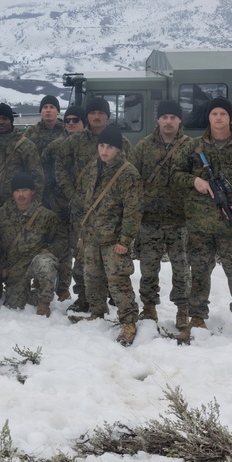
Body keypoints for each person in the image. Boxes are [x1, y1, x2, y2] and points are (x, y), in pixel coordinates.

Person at [171, 97, 232, 340]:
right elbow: (175, 175)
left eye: (223, 113)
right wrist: (195, 180)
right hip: (200, 225)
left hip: (231, 225)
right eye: (214, 114)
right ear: (208, 118)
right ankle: (197, 318)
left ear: (230, 117)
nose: (218, 117)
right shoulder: (194, 147)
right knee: (198, 272)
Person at [53, 97, 132, 312]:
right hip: (82, 210)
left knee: (112, 253)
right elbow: (60, 167)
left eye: (101, 113)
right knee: (83, 254)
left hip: (111, 212)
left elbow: (129, 172)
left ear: (108, 116)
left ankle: (115, 293)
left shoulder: (121, 141)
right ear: (87, 116)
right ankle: (85, 296)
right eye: (92, 112)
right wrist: (73, 195)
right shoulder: (75, 141)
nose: (96, 116)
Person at [127, 100, 192, 330]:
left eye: (173, 117)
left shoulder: (190, 147)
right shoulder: (143, 147)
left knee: (182, 269)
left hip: (180, 221)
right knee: (148, 269)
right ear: (158, 119)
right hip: (150, 221)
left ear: (179, 120)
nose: (168, 121)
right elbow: (132, 180)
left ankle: (183, 311)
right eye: (164, 117)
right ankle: (149, 307)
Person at [76, 127, 142, 345]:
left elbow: (133, 210)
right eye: (102, 146)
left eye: (110, 147)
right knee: (92, 278)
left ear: (118, 149)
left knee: (118, 282)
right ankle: (97, 312)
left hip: (114, 240)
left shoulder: (127, 173)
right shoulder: (95, 167)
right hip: (93, 236)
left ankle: (129, 321)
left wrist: (124, 240)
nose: (104, 151)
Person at [0, 172, 64, 316]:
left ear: (32, 192)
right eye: (17, 191)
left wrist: (50, 251)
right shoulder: (1, 215)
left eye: (25, 190)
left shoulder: (46, 216)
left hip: (36, 260)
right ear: (12, 193)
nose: (21, 195)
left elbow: (61, 238)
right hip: (15, 267)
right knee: (15, 304)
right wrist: (2, 266)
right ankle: (32, 293)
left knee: (46, 263)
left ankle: (44, 302)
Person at [40, 104, 87, 301]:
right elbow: (43, 174)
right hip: (59, 206)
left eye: (75, 120)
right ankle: (63, 287)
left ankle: (88, 292)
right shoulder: (55, 147)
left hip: (87, 207)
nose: (70, 124)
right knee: (63, 248)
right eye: (67, 120)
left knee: (85, 250)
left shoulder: (97, 145)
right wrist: (51, 200)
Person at [0, 103, 44, 207]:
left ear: (11, 120)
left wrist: (33, 205)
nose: (1, 122)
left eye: (5, 118)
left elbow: (37, 178)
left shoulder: (25, 146)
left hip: (19, 205)